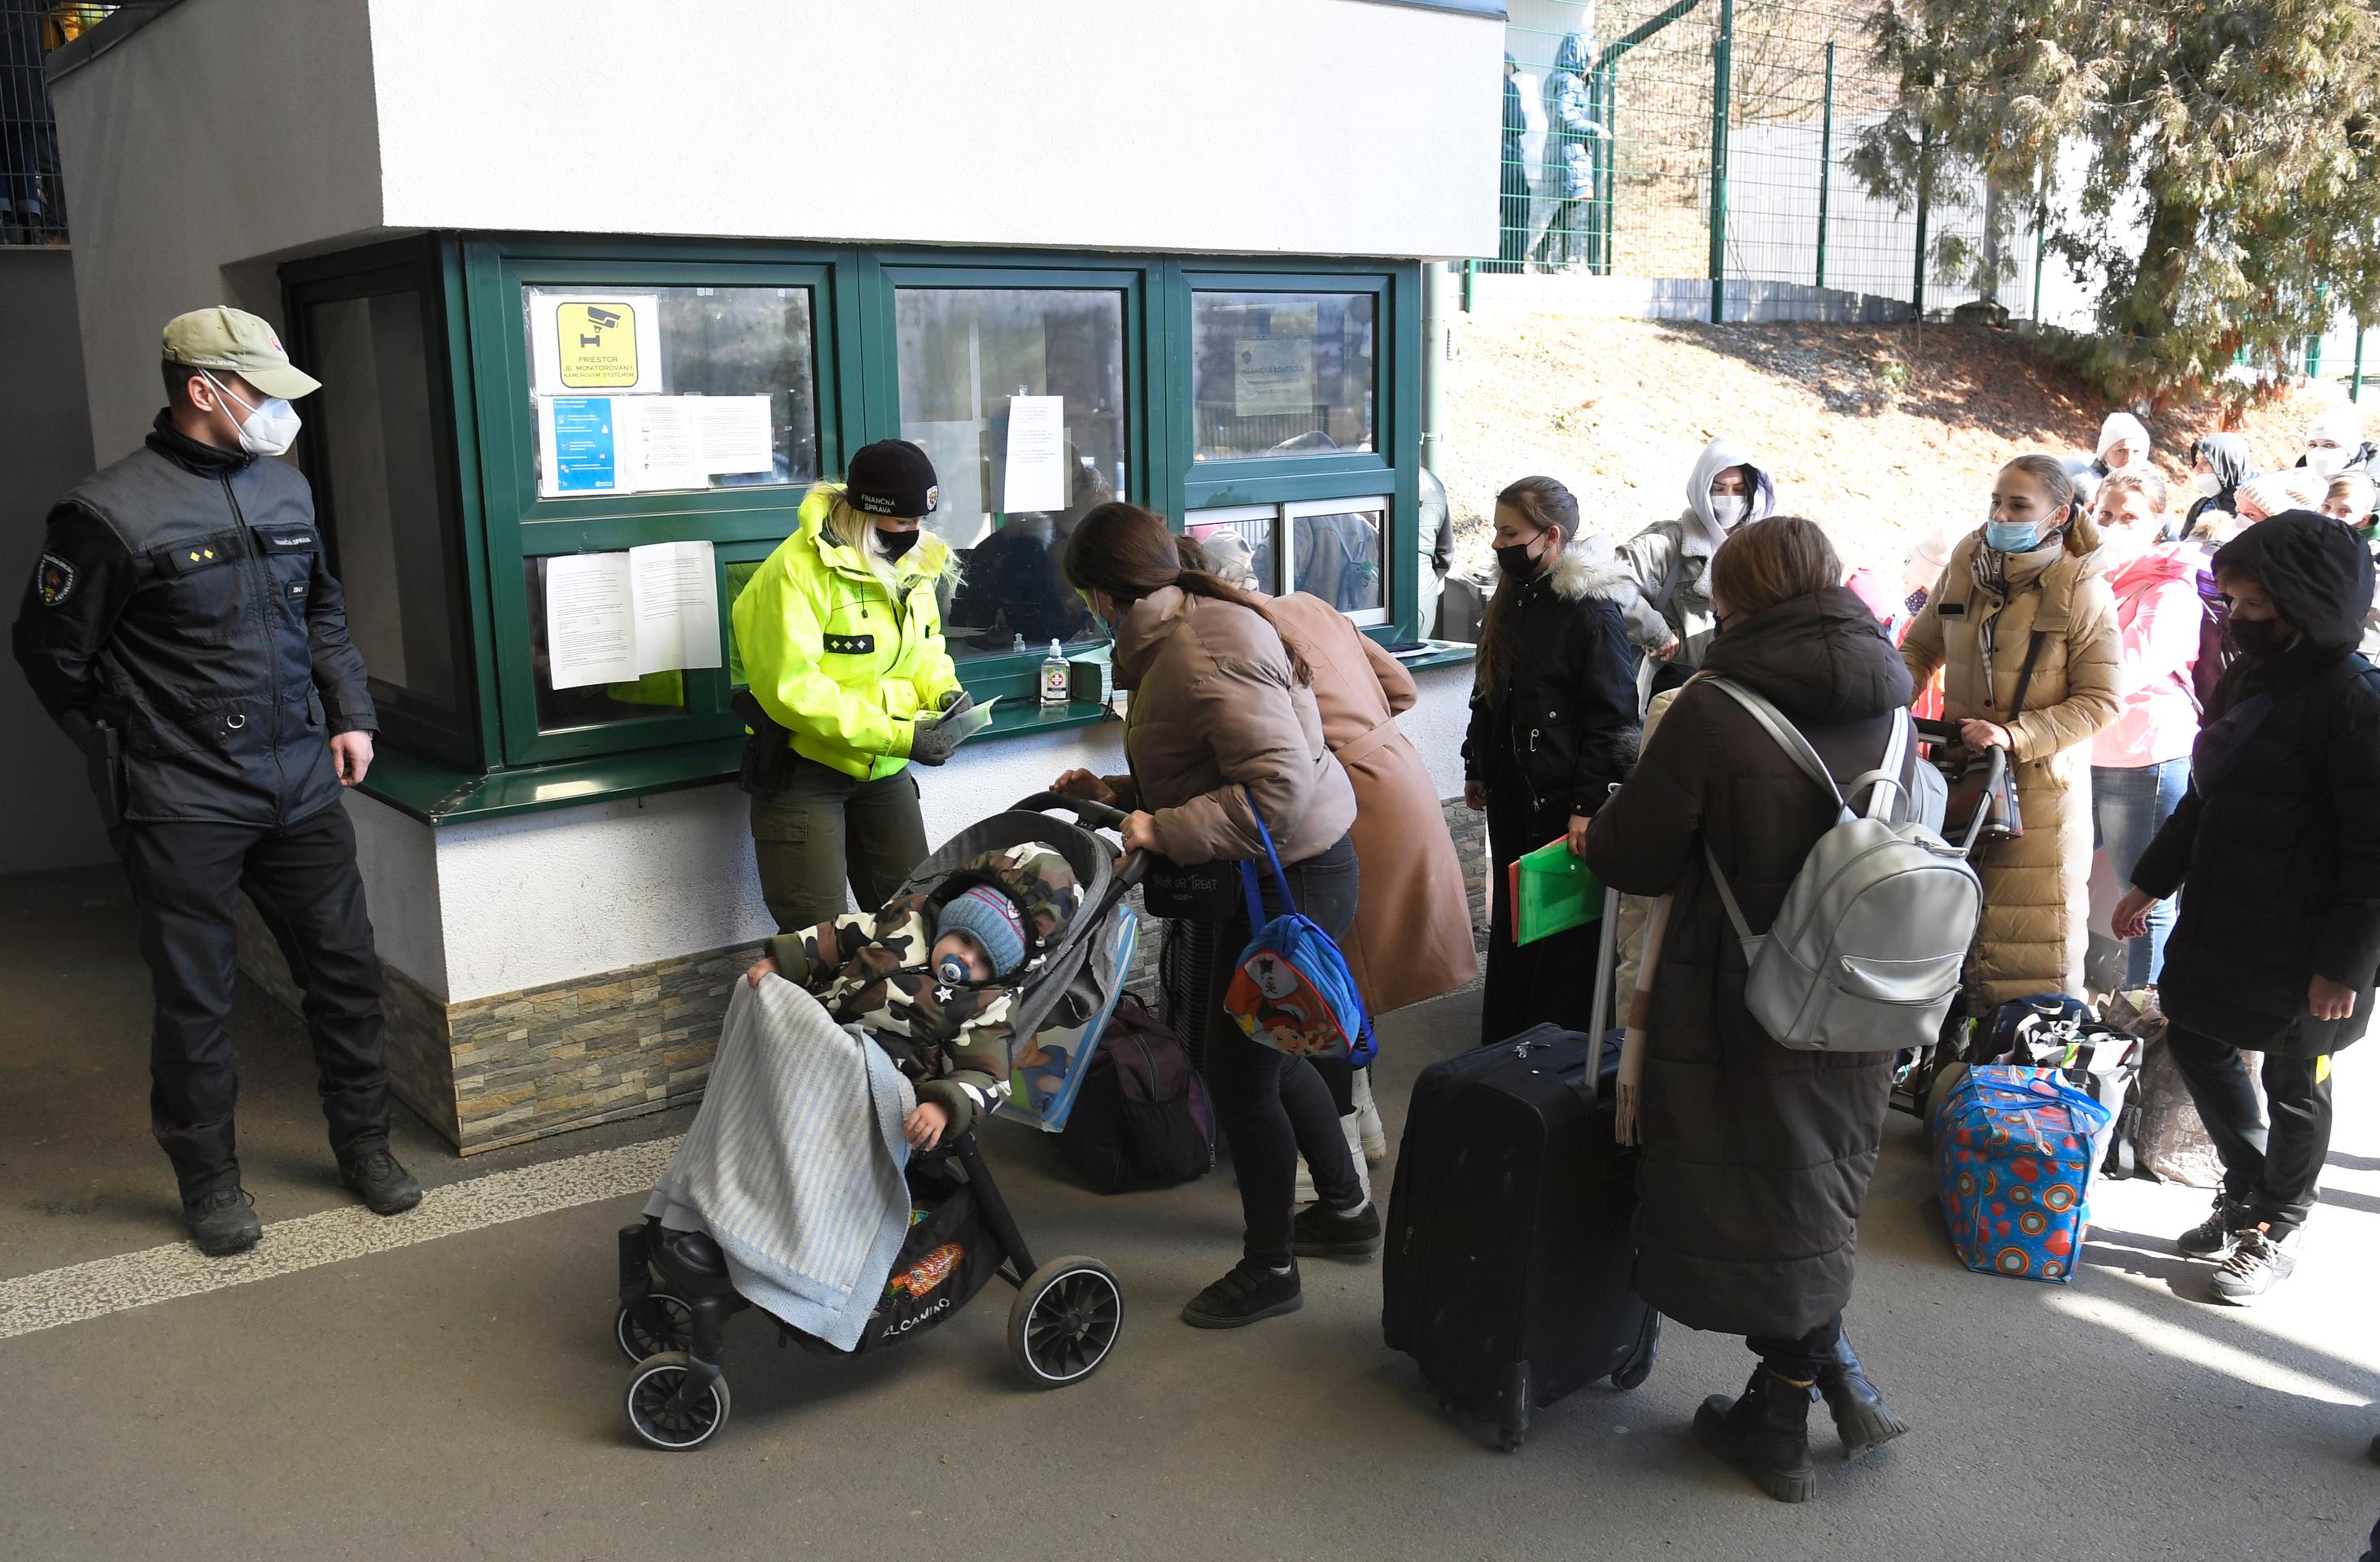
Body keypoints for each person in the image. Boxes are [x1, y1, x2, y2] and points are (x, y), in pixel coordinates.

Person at [11, 307, 419, 1256]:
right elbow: (48, 654)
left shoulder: (286, 491)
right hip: (182, 800)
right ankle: (210, 1182)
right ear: (204, 392)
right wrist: (120, 748)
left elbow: (322, 611)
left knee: (348, 977)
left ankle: (363, 1146)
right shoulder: (108, 515)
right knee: (198, 1003)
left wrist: (350, 713)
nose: (280, 411)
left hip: (300, 787)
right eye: (262, 392)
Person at [1584, 515, 1912, 1504]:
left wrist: (1596, 824)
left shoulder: (1716, 708)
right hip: (1865, 984)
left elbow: (1633, 854)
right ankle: (1797, 1391)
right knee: (1813, 1183)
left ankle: (1787, 1404)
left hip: (1742, 990)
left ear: (1734, 601)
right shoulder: (1893, 697)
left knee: (1762, 1192)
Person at [1049, 502, 1368, 1329]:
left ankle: (1271, 1268)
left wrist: (1160, 828)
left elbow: (1276, 792)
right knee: (1270, 1050)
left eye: (1088, 596)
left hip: (1292, 875)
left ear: (1107, 593)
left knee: (1243, 1072)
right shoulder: (1176, 632)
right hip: (1259, 871)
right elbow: (1209, 765)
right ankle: (1343, 1209)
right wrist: (1116, 797)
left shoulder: (1208, 644)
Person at [2113, 512, 2380, 1303]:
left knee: (2300, 1081)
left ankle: (2274, 1225)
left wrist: (2345, 966)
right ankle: (2249, 1187)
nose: (2236, 617)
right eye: (2229, 599)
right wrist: (2149, 882)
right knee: (2195, 1036)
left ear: (2309, 602)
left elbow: (2374, 853)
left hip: (2312, 948)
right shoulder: (2249, 679)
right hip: (2226, 919)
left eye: (2254, 601)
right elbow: (2204, 802)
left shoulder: (2358, 702)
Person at [1901, 456, 2121, 1010]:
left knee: (2024, 958)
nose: (2000, 513)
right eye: (1996, 501)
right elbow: (1919, 648)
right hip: (1956, 779)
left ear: (2057, 515)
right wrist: (1884, 701)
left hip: (2039, 796)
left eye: (2018, 505)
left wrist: (2013, 735)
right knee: (1941, 938)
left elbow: (2101, 701)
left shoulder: (2081, 589)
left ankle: (2010, 1083)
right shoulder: (1964, 564)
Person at [1269, 582, 1478, 1161]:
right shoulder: (1308, 605)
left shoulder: (1240, 636)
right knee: (1356, 974)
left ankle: (1341, 1151)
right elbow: (1401, 688)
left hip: (1344, 796)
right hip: (1396, 770)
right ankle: (1362, 1124)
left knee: (1334, 972)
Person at [731, 442, 977, 935]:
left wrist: (944, 693)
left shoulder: (916, 562)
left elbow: (924, 651)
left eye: (920, 521)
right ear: (866, 513)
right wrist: (900, 737)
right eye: (902, 522)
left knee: (913, 922)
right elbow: (792, 689)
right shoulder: (793, 574)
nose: (914, 534)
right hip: (805, 770)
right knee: (816, 940)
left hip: (883, 770)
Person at [743, 843, 1085, 1149]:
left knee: (805, 1123)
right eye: (964, 940)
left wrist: (944, 1105)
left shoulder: (988, 1004)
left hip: (881, 1076)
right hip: (820, 1025)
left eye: (984, 962)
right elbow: (839, 936)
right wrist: (783, 961)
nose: (967, 960)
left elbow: (986, 1074)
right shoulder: (907, 919)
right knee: (753, 994)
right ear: (950, 918)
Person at [1463, 477, 1646, 1045]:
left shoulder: (1590, 613)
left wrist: (1588, 806)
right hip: (1513, 790)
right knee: (1516, 926)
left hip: (1562, 801)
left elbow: (1614, 717)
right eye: (1496, 530)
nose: (1497, 543)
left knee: (1559, 934)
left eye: (1508, 532)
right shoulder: (1511, 599)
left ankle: (1552, 1051)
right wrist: (1476, 763)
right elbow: (1489, 689)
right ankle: (1508, 1042)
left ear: (1550, 536)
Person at [2087, 470, 2201, 987]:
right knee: (2047, 874)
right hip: (2085, 749)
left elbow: (2129, 666)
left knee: (2144, 900)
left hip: (2144, 758)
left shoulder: (2172, 589)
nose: (2113, 525)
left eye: (2129, 517)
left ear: (2158, 522)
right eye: (2105, 514)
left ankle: (2140, 1022)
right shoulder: (2094, 577)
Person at [1619, 434, 1778, 667]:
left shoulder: (1765, 553)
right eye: (1719, 488)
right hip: (1666, 688)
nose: (1730, 498)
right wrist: (1657, 634)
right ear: (1702, 489)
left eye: (1739, 489)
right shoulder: (1668, 541)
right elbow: (1607, 583)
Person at [1531, 32, 1598, 270]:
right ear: (1580, 53)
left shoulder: (1556, 78)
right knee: (1574, 202)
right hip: (1571, 152)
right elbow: (1565, 115)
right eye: (1591, 56)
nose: (1594, 62)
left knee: (1571, 203)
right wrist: (1594, 128)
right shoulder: (1570, 81)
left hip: (1562, 149)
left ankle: (1545, 252)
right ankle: (1566, 260)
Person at [2181, 433, 2256, 543]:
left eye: (2206, 462)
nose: (2196, 469)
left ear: (2228, 464)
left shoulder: (2259, 511)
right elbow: (2183, 542)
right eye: (2197, 461)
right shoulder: (2203, 506)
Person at [1493, 53, 1531, 272]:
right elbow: (1519, 124)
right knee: (1517, 211)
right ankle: (1511, 264)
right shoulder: (1508, 87)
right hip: (1509, 159)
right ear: (1507, 66)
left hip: (1489, 159)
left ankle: (1485, 263)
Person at [2297, 403, 2380, 485]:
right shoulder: (2297, 483)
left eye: (2329, 445)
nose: (2318, 451)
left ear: (2350, 452)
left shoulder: (2373, 490)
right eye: (2313, 445)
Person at [2093, 412, 2152, 479]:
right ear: (2104, 455)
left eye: (2136, 451)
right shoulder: (2091, 485)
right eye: (2121, 451)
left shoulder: (2150, 485)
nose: (2129, 459)